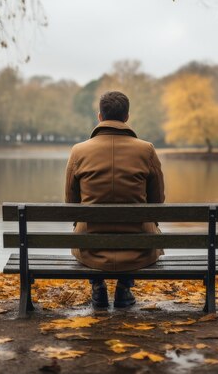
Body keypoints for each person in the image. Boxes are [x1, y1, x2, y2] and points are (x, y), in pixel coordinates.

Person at [65, 91, 165, 308]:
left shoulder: (78, 151)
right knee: (149, 225)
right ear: (127, 117)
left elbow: (71, 204)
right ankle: (124, 289)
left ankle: (98, 288)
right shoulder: (146, 150)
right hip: (138, 249)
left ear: (100, 116)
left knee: (81, 226)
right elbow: (158, 203)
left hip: (90, 248)